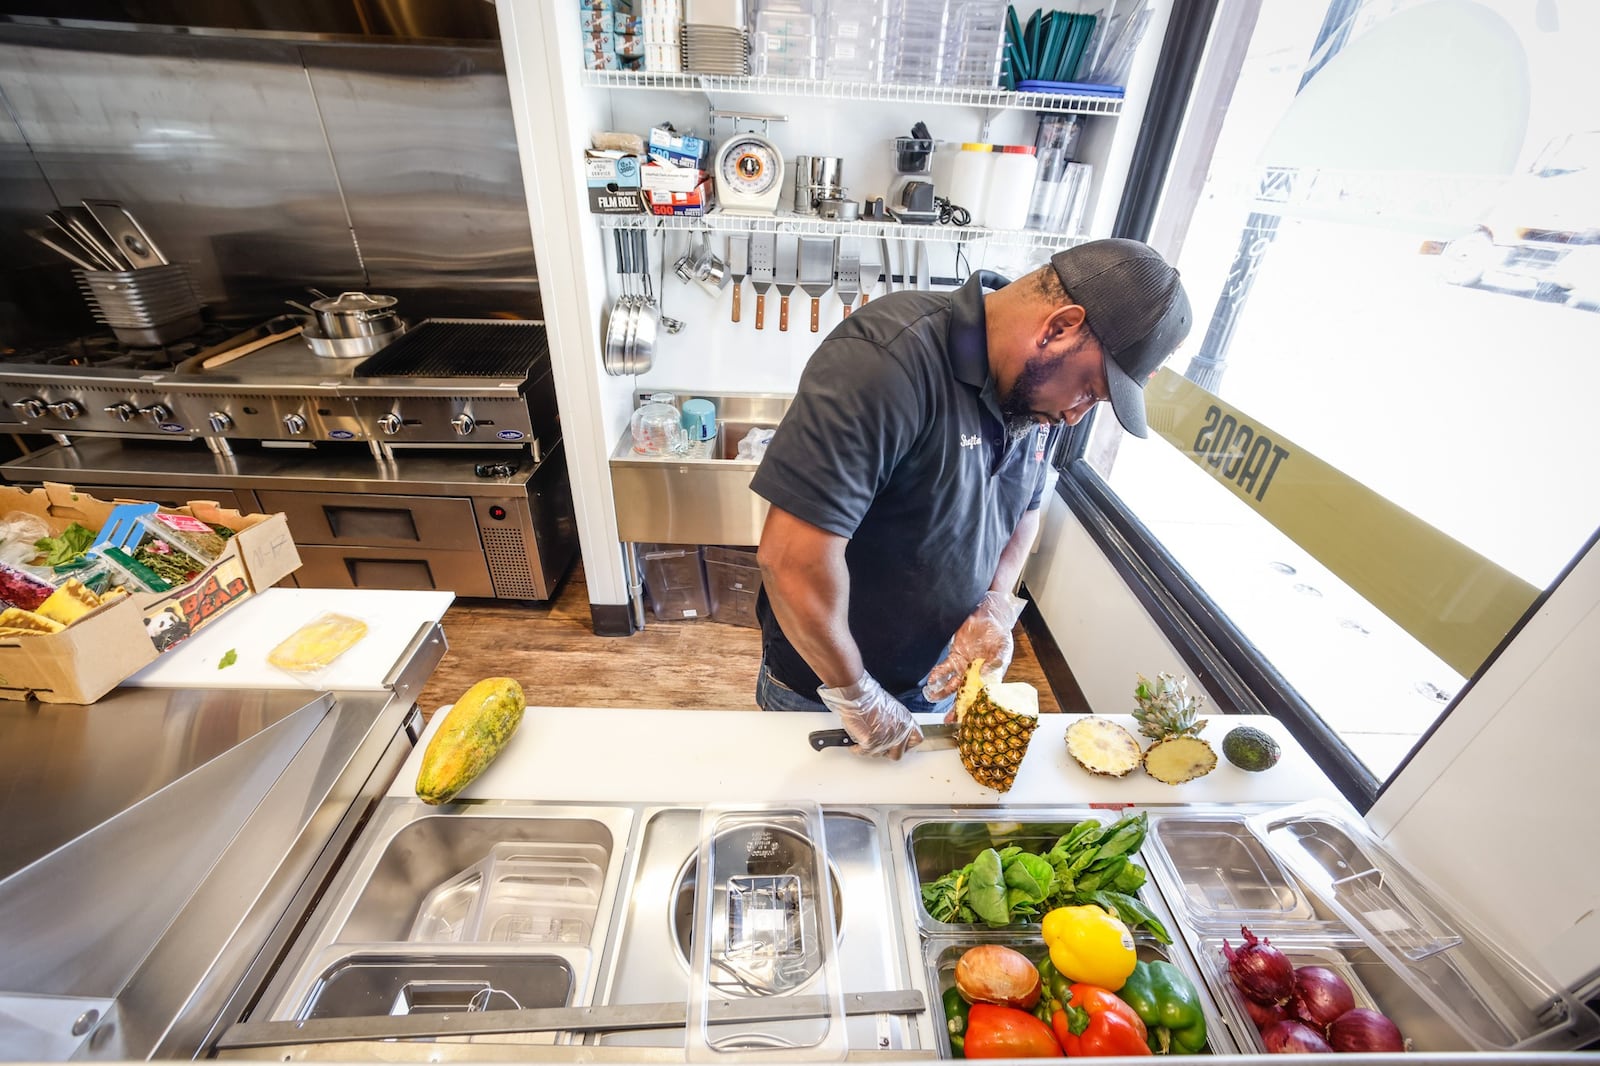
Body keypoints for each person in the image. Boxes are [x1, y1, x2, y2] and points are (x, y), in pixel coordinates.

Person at [750, 238, 1192, 758]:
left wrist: (995, 604)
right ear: (1058, 328)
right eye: (1089, 390)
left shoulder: (1038, 398)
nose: (1078, 415)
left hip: (935, 678)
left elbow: (1026, 508)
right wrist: (856, 695)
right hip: (826, 686)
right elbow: (791, 560)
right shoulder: (884, 361)